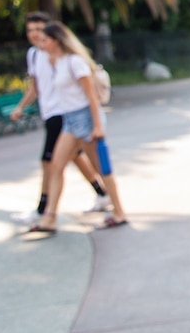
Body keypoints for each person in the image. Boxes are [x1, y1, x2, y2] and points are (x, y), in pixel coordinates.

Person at [9, 11, 111, 225]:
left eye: (39, 30)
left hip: (62, 114)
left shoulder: (61, 55)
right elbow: (35, 87)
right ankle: (103, 194)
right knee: (76, 158)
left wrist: (96, 122)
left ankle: (44, 211)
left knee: (49, 163)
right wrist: (20, 107)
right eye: (30, 30)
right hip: (51, 114)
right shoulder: (34, 55)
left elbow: (86, 89)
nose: (34, 34)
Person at [25, 21, 128, 233]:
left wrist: (97, 126)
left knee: (101, 168)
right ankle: (49, 218)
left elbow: (92, 97)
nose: (40, 43)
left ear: (56, 41)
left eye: (45, 39)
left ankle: (119, 212)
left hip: (86, 119)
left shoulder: (75, 62)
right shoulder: (56, 62)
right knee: (55, 165)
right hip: (70, 120)